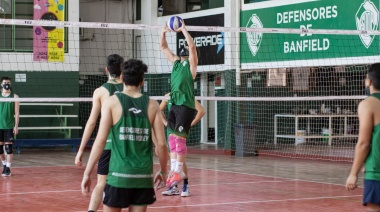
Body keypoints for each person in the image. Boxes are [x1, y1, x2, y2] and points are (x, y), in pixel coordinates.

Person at [81, 59, 168, 212]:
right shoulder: (153, 105)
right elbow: (161, 145)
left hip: (118, 175)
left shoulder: (111, 103)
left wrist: (87, 173)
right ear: (142, 81)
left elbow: (101, 141)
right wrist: (163, 171)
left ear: (122, 78)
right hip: (143, 177)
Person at [75, 54, 124, 212]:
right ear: (122, 70)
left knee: (101, 182)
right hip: (126, 145)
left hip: (108, 143)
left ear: (106, 70)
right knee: (123, 185)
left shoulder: (100, 91)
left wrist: (81, 150)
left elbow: (91, 122)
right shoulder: (131, 89)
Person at [160, 19, 198, 187]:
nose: (183, 56)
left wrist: (183, 29)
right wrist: (162, 33)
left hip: (185, 106)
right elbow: (163, 47)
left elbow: (192, 48)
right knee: (172, 139)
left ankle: (178, 171)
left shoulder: (191, 66)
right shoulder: (175, 63)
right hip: (174, 105)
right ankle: (174, 170)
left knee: (180, 139)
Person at [346, 63, 380, 211]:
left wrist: (353, 174)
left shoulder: (368, 104)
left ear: (369, 81)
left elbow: (364, 143)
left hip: (376, 173)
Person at [159, 92, 205, 197]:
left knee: (180, 159)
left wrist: (189, 124)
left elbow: (201, 111)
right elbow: (159, 109)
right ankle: (174, 187)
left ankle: (185, 185)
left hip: (180, 130)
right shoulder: (168, 96)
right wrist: (165, 122)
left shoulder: (187, 96)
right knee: (173, 158)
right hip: (171, 130)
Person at [0, 77, 19, 177]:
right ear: (1, 84)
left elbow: (16, 112)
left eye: (8, 82)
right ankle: (4, 165)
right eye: (4, 82)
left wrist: (16, 126)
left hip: (9, 126)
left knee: (8, 148)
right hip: (0, 126)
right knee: (0, 149)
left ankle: (8, 168)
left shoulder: (14, 96)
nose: (6, 84)